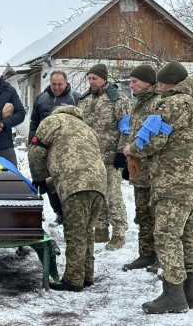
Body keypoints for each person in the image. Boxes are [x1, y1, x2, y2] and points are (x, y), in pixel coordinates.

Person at [123, 61, 193, 314]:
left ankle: (174, 294)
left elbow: (151, 139)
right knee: (191, 237)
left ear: (169, 83)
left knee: (167, 236)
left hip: (172, 183)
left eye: (161, 84)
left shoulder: (171, 104)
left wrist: (133, 149)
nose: (159, 89)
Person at [28, 105, 106, 291]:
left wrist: (38, 179)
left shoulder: (52, 121)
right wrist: (47, 184)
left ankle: (73, 280)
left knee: (75, 232)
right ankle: (86, 275)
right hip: (99, 183)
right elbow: (77, 164)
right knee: (87, 230)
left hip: (76, 185)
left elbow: (36, 151)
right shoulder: (86, 127)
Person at [78, 64, 131, 250]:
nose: (91, 82)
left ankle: (119, 233)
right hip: (91, 157)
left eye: (95, 78)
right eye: (89, 78)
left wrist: (120, 152)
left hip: (111, 157)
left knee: (112, 195)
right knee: (96, 195)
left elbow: (126, 127)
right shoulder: (83, 100)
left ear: (104, 78)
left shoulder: (118, 99)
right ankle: (101, 229)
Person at [121, 64, 160, 271]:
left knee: (158, 216)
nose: (131, 85)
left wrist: (135, 150)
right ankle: (146, 254)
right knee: (143, 214)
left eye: (135, 81)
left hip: (155, 171)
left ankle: (161, 258)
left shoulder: (157, 103)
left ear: (147, 82)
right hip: (139, 169)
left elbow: (157, 138)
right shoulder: (138, 104)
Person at [29, 71, 81, 226]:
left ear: (66, 83)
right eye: (53, 84)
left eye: (60, 84)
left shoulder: (75, 98)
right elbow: (34, 123)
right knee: (49, 181)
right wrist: (32, 142)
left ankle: (68, 213)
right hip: (45, 147)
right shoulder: (41, 98)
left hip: (67, 149)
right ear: (50, 83)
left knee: (66, 181)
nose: (56, 87)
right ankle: (58, 212)